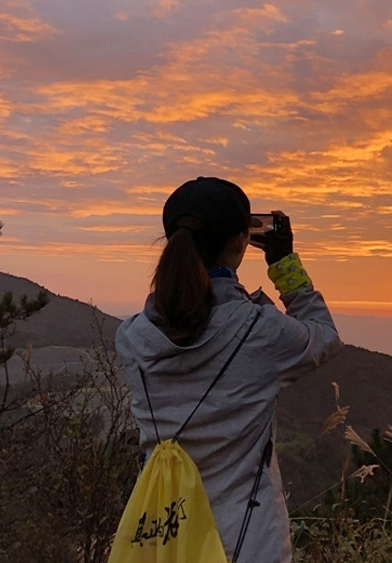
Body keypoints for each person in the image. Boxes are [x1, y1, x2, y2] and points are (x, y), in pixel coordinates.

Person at [115, 176, 342, 563]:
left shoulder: (132, 338)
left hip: (165, 543)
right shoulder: (258, 331)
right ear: (240, 242)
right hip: (246, 544)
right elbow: (324, 338)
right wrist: (285, 264)